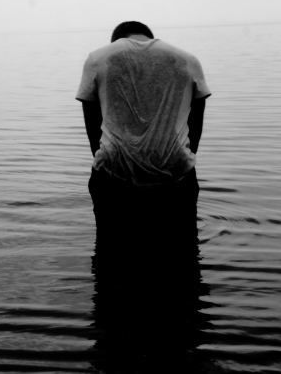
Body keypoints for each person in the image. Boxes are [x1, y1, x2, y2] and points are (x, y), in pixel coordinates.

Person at [77, 21, 212, 371]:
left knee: (112, 255)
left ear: (117, 39)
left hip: (115, 173)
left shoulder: (99, 58)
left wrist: (103, 159)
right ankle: (180, 334)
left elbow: (92, 121)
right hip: (175, 173)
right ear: (148, 35)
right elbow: (197, 115)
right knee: (182, 256)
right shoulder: (185, 59)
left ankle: (117, 334)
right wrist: (185, 157)